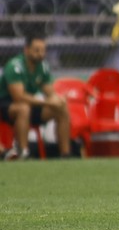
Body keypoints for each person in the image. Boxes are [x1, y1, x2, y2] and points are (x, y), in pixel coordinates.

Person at [0, 32, 71, 160]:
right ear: (26, 50)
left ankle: (65, 154)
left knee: (61, 107)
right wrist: (48, 103)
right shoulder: (14, 66)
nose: (41, 54)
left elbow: (49, 91)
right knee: (23, 109)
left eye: (43, 50)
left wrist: (57, 99)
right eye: (37, 50)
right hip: (7, 105)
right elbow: (19, 97)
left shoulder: (42, 67)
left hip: (31, 105)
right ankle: (24, 152)